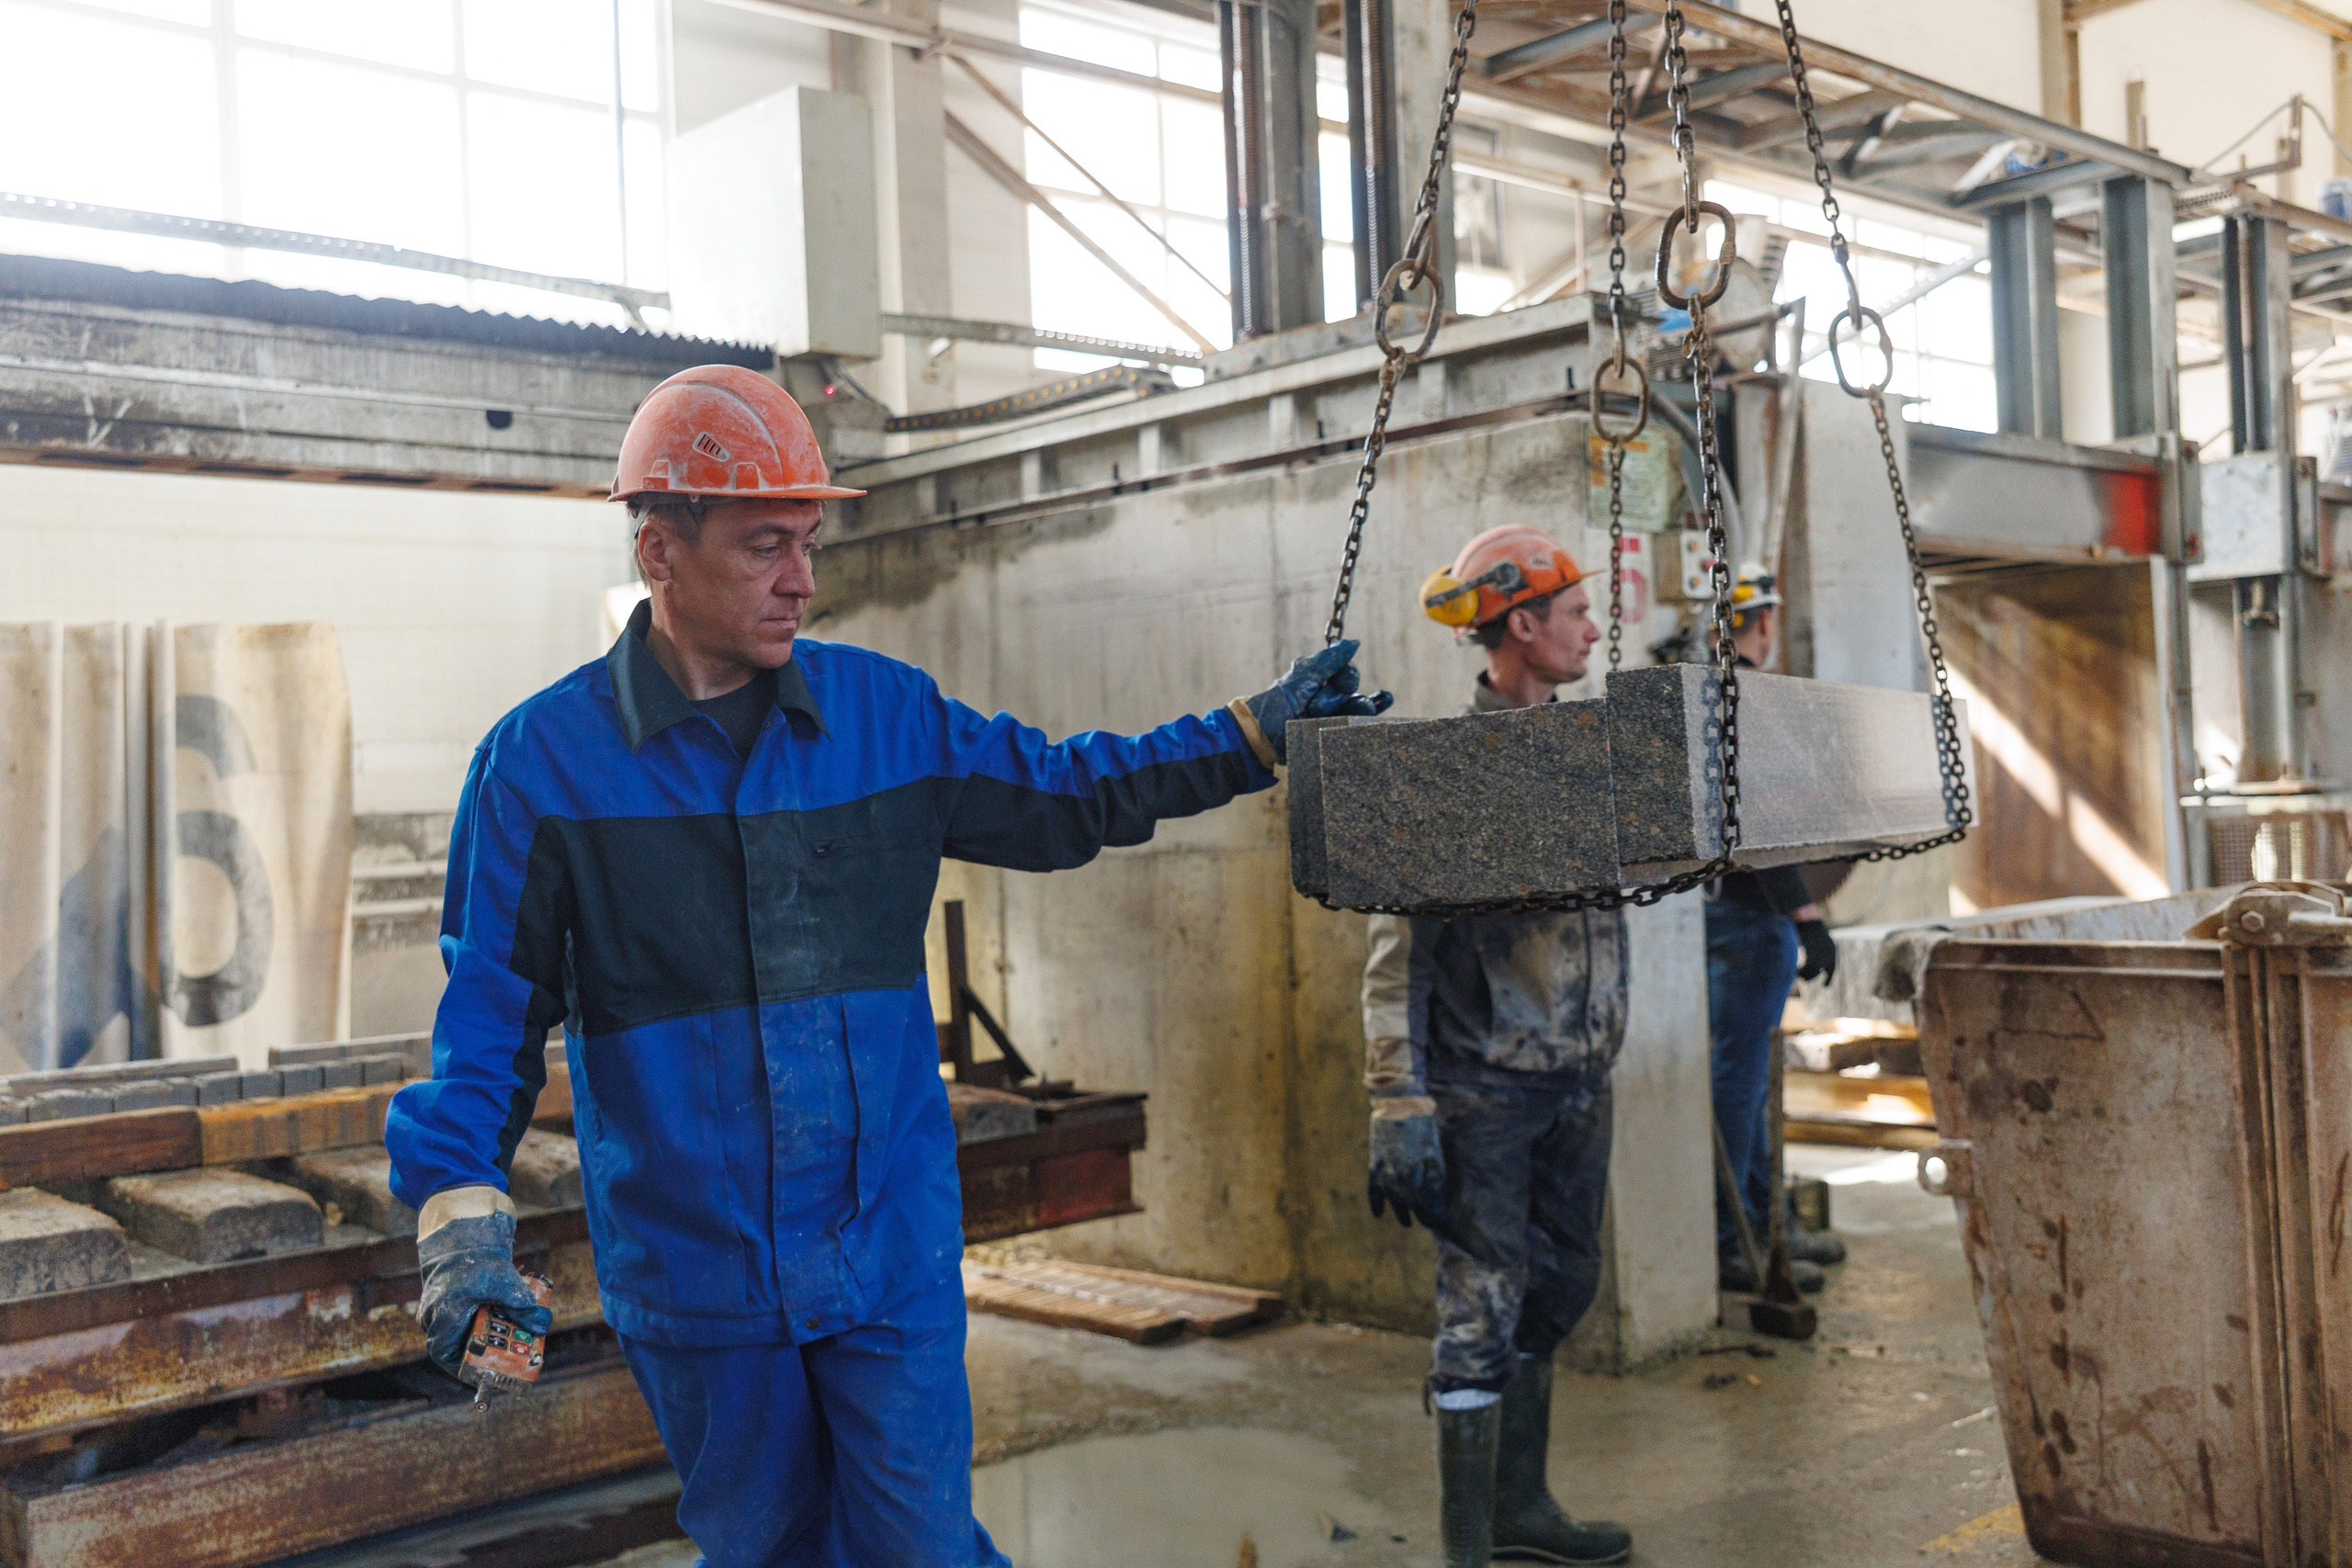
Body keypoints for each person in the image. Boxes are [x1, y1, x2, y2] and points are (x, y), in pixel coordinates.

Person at [381, 365, 1391, 1568]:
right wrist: (460, 1229)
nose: (803, 579)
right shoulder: (540, 769)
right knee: (769, 1551)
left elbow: (1073, 791)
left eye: (807, 542)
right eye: (766, 546)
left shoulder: (885, 718)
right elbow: (486, 1023)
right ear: (659, 551)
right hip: (700, 1276)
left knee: (917, 1544)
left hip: (882, 1253)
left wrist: (1246, 733)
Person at [1361, 525, 1634, 1568]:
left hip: (1579, 1079)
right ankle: (1470, 1549)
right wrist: (1397, 1099)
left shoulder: (1593, 759)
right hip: (1482, 1092)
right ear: (1521, 625)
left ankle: (1521, 1510)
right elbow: (1397, 954)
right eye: (1576, 614)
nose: (1594, 630)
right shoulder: (1447, 776)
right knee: (1480, 1307)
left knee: (1561, 1286)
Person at [1706, 563, 1846, 1294]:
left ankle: (1763, 1221)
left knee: (1746, 1077)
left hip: (1719, 915)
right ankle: (1739, 1237)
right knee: (1740, 1080)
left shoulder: (1705, 694)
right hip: (1751, 919)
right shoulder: (1747, 697)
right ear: (1762, 623)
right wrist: (1806, 915)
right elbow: (1762, 826)